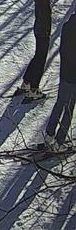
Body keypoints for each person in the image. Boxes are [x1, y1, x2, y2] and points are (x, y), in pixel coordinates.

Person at [17, 0, 55, 101]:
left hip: (39, 30)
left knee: (37, 56)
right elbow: (45, 17)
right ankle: (33, 89)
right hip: (42, 32)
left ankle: (26, 82)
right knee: (40, 60)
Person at [42, 12, 76, 151]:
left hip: (64, 72)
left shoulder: (67, 26)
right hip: (74, 76)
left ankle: (49, 135)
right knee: (68, 109)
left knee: (59, 103)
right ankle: (59, 142)